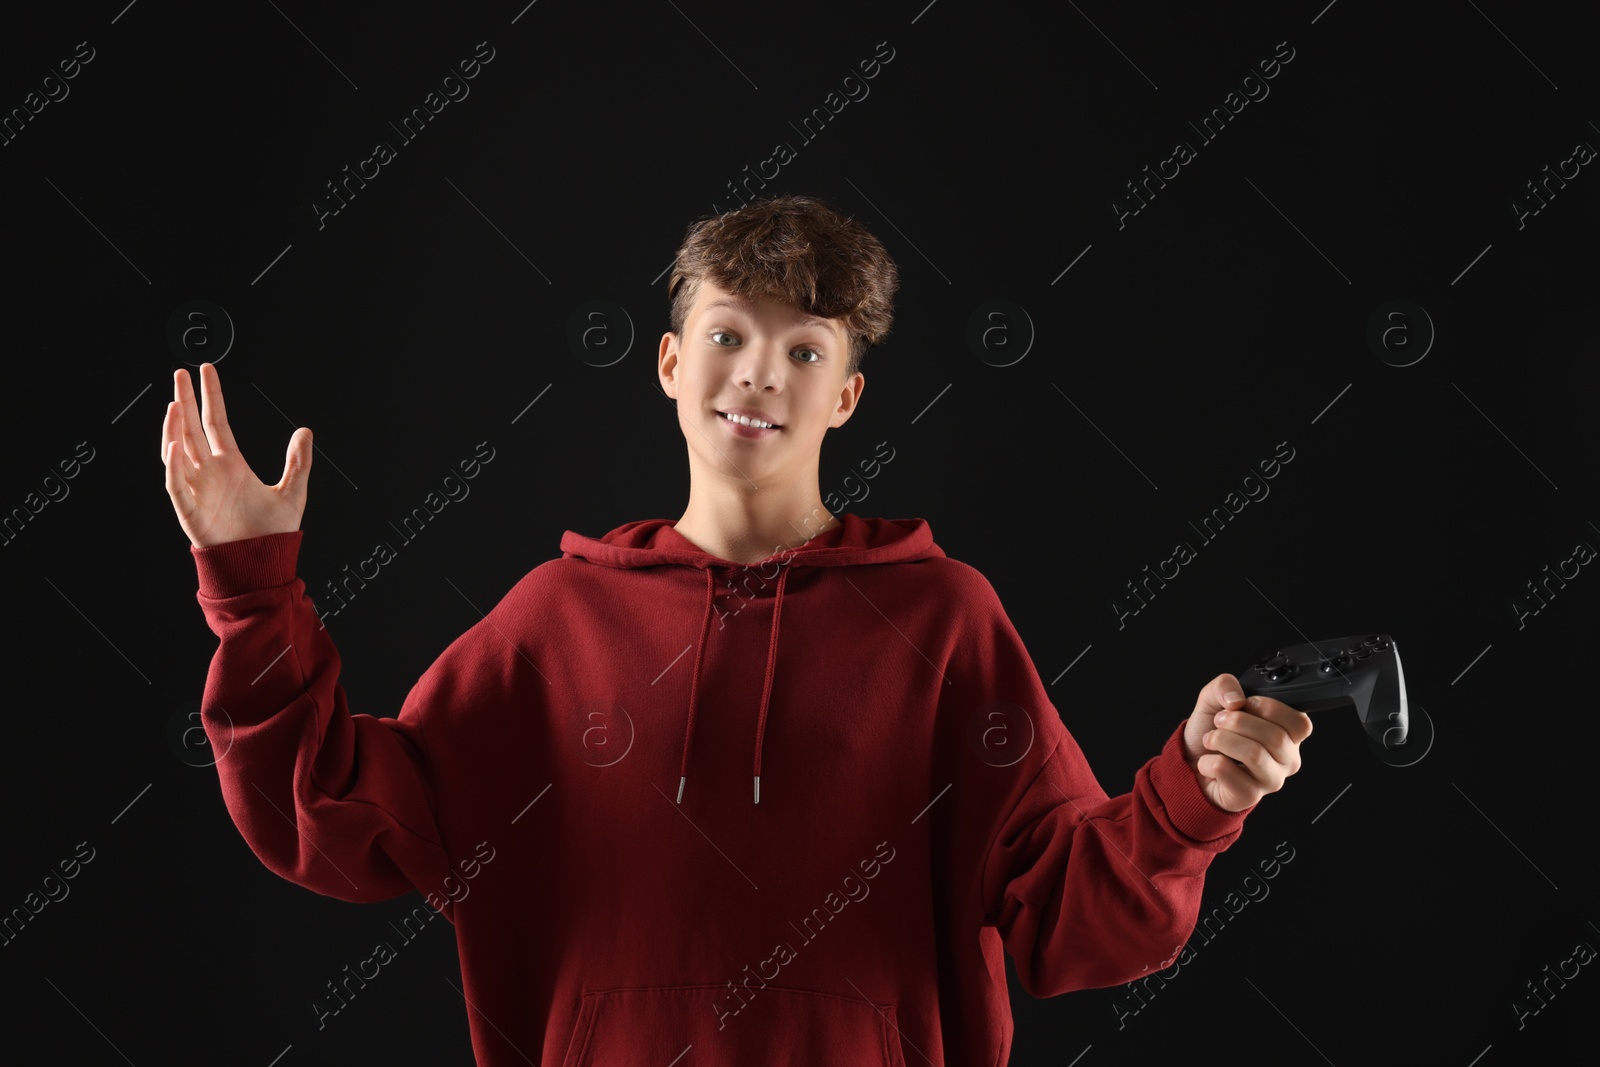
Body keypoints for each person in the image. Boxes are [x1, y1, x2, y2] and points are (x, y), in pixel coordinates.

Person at [162, 194, 1311, 1066]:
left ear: (845, 396)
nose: (759, 372)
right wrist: (251, 589)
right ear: (669, 363)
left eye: (806, 348)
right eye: (727, 334)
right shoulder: (553, 624)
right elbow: (330, 816)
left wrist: (1189, 798)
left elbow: (1072, 921)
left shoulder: (944, 620)